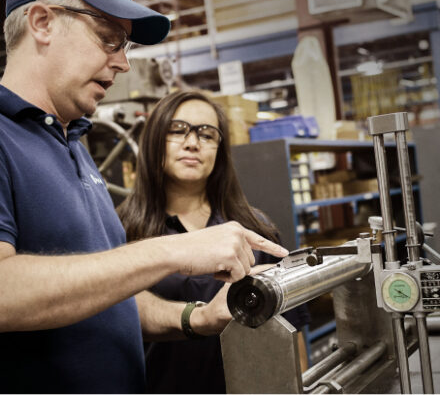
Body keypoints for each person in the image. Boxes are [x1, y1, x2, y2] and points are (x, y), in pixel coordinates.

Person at [0, 0, 289, 393]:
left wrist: (196, 317)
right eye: (109, 39)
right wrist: (174, 251)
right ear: (43, 23)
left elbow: (105, 298)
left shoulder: (73, 147)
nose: (123, 63)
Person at [117, 90, 311, 394]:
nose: (192, 142)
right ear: (154, 140)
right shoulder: (122, 230)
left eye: (207, 134)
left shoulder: (254, 231)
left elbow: (289, 330)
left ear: (220, 150)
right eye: (177, 130)